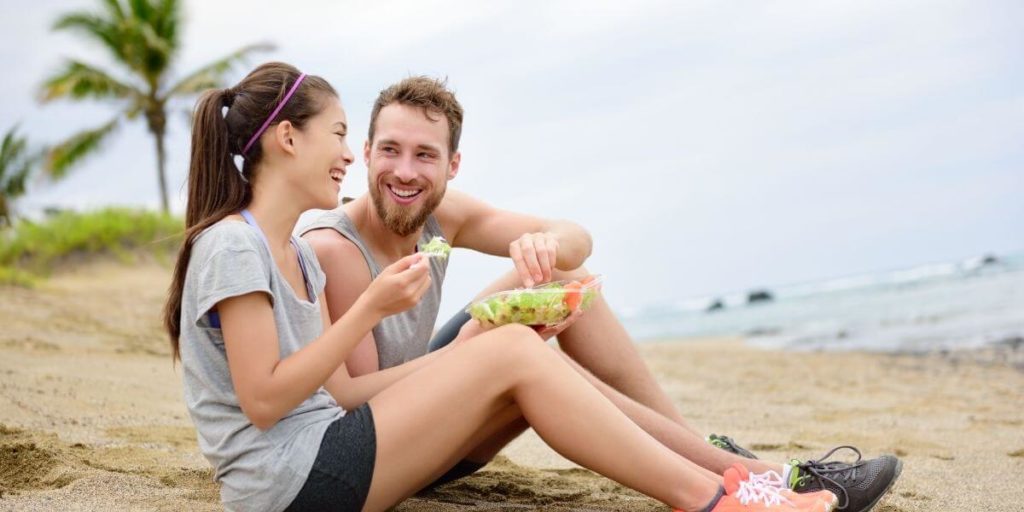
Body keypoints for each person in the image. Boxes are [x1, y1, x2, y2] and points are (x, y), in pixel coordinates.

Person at [163, 62, 840, 512]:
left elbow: (331, 391)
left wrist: (496, 317)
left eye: (349, 138)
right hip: (289, 484)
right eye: (342, 137)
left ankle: (736, 480)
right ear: (287, 139)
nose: (346, 155)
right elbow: (262, 401)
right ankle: (722, 497)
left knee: (520, 336)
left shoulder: (286, 254)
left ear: (452, 164)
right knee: (511, 348)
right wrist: (373, 310)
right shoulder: (239, 246)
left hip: (324, 458)